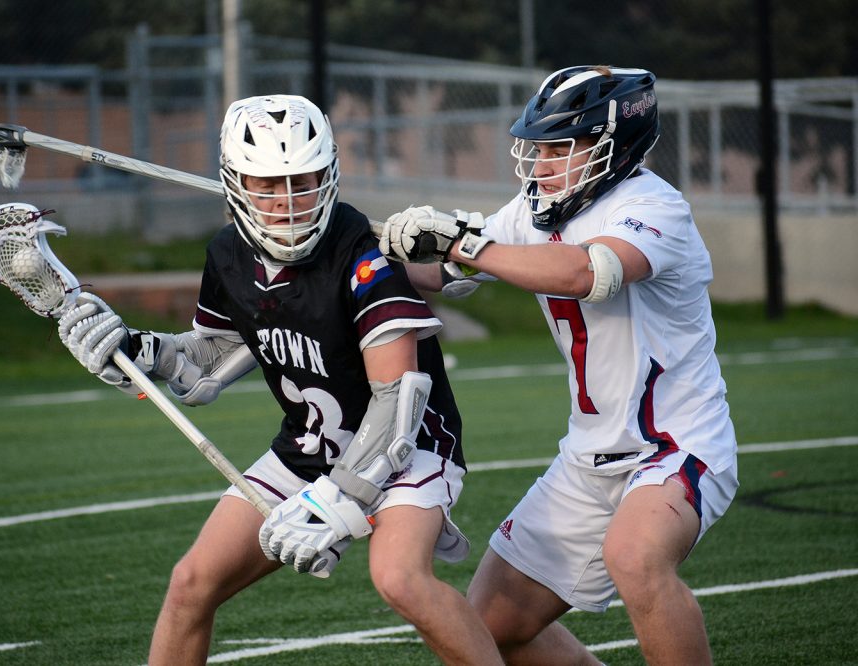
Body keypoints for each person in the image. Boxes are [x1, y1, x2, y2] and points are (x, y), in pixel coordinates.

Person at [57, 94, 503, 665]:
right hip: (310, 447)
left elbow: (401, 399)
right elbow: (210, 360)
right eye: (268, 184)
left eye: (304, 180)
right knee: (191, 584)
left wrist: (339, 496)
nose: (288, 202)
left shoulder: (365, 255)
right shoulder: (227, 255)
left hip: (411, 445)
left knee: (399, 579)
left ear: (331, 174)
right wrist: (140, 351)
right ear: (235, 183)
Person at [377, 66, 739, 665]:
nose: (540, 162)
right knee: (490, 626)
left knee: (635, 557)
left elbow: (587, 273)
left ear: (613, 144)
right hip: (587, 460)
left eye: (558, 147)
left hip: (675, 446)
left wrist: (464, 244)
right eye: (537, 147)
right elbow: (441, 274)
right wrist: (373, 249)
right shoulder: (533, 209)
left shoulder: (654, 206)